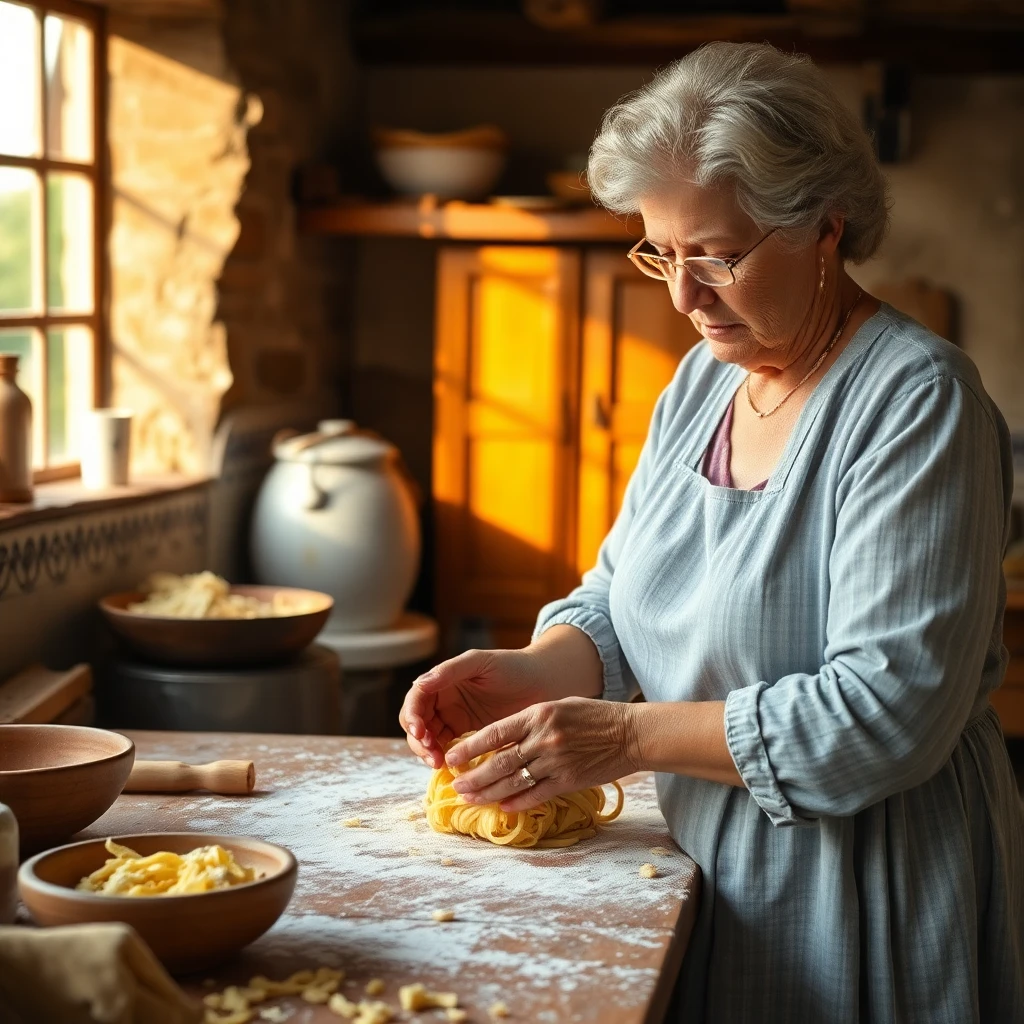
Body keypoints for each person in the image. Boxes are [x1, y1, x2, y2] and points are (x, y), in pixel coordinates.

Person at [399, 41, 1024, 1023]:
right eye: (662, 252)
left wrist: (619, 737)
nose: (683, 296)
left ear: (826, 225)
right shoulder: (702, 385)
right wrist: (533, 668)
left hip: (866, 884)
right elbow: (618, 591)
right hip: (705, 863)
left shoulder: (915, 401)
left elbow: (885, 712)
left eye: (717, 254)